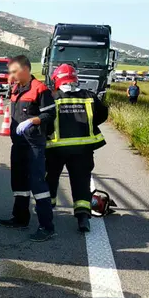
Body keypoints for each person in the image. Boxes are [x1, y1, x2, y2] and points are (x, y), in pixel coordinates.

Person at [0, 55, 56, 242]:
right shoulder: (16, 88)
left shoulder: (40, 89)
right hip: (19, 144)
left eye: (14, 71)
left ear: (25, 69)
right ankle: (20, 218)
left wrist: (33, 120)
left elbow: (50, 114)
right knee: (19, 182)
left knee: (37, 184)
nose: (11, 75)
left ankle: (46, 226)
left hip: (34, 145)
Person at [45, 64, 108, 232]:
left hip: (55, 149)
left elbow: (45, 119)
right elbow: (102, 114)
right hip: (83, 150)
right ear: (75, 79)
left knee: (50, 179)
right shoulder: (89, 96)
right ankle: (83, 219)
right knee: (81, 182)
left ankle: (47, 213)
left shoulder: (52, 97)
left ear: (57, 80)